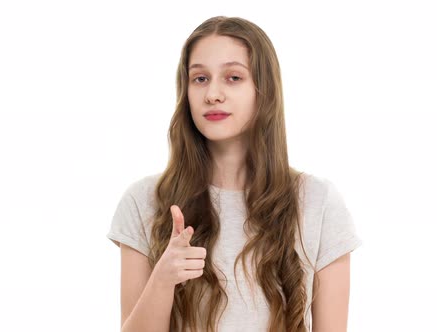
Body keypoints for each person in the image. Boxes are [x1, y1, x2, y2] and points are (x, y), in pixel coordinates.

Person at [106, 15, 362, 332]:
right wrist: (163, 279)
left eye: (233, 78)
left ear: (263, 90)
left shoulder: (318, 203)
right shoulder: (144, 201)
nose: (212, 93)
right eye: (200, 79)